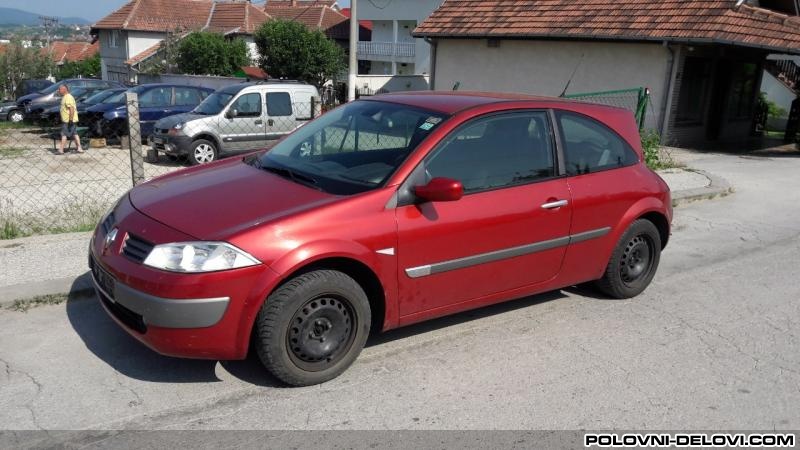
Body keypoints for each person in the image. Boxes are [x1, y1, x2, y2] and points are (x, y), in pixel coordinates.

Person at [57, 84, 83, 154]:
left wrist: (70, 120)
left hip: (68, 120)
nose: (58, 91)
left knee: (64, 134)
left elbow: (71, 109)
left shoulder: (68, 97)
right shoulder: (65, 97)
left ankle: (61, 150)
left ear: (64, 89)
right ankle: (79, 148)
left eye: (60, 89)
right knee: (74, 134)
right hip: (67, 120)